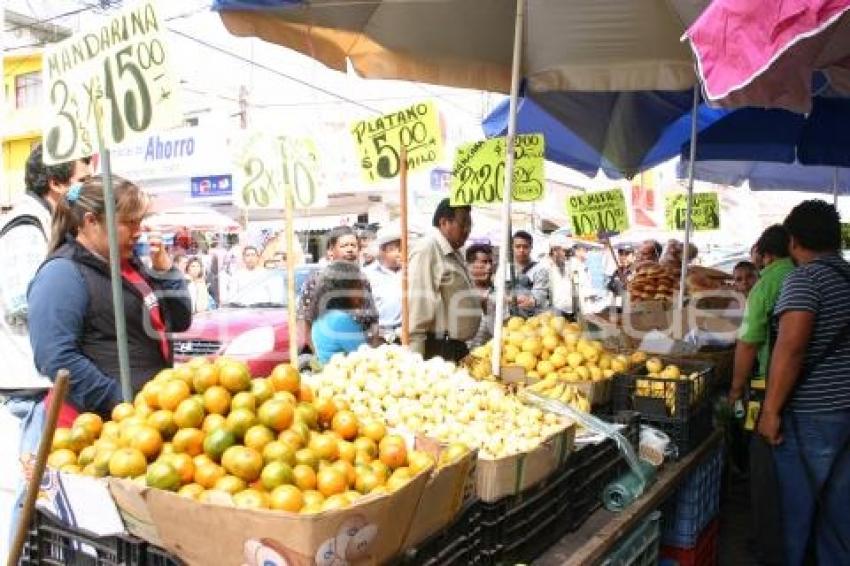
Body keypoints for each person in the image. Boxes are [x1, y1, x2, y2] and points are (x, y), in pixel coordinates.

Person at [27, 175, 192, 416]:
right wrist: (119, 401)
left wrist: (166, 272)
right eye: (128, 222)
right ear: (91, 221)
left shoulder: (130, 264)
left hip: (146, 418)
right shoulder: (62, 274)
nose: (138, 232)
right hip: (101, 425)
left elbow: (179, 321)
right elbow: (55, 357)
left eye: (140, 221)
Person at [759, 201, 850, 566]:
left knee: (794, 512)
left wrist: (771, 411)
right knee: (838, 512)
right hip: (846, 411)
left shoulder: (805, 278)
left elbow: (791, 349)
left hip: (812, 415)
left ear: (794, 242)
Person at [727, 225, 794, 565]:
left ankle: (769, 546)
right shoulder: (802, 274)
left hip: (769, 386)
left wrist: (736, 390)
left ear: (766, 255)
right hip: (805, 392)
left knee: (764, 464)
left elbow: (748, 342)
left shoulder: (769, 282)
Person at [0, 144, 92, 387]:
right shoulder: (26, 227)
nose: (89, 188)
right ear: (56, 184)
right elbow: (22, 307)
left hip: (44, 378)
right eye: (83, 180)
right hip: (30, 382)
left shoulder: (48, 222)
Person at [408, 199, 481, 362]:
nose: (467, 230)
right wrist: (414, 363)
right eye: (463, 224)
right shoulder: (427, 250)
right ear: (444, 222)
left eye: (470, 225)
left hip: (454, 348)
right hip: (438, 351)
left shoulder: (453, 251)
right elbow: (417, 309)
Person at [297, 226, 378, 354]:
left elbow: (372, 319)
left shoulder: (363, 280)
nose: (350, 250)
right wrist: (319, 355)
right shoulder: (316, 281)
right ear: (330, 251)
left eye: (353, 245)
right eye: (344, 246)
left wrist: (373, 352)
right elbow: (305, 322)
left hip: (362, 353)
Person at [310, 261, 369, 364]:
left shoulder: (322, 315)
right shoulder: (340, 319)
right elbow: (365, 358)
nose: (363, 292)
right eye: (358, 286)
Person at [365, 225, 403, 343]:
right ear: (381, 251)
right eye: (394, 249)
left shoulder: (410, 271)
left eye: (401, 248)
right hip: (379, 336)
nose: (399, 253)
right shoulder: (368, 274)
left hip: (406, 334)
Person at [510, 230, 549, 317]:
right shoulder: (505, 269)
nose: (521, 250)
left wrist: (532, 301)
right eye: (518, 246)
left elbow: (540, 295)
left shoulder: (540, 269)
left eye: (525, 247)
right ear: (512, 247)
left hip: (532, 320)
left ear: (531, 247)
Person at [466, 243, 495, 349]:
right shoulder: (461, 292)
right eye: (484, 262)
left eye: (490, 262)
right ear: (469, 265)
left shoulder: (498, 294)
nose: (489, 267)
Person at [545, 234, 575, 319]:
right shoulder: (545, 267)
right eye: (565, 251)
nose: (568, 255)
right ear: (555, 251)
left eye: (569, 252)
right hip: (553, 314)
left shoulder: (568, 266)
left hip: (570, 312)